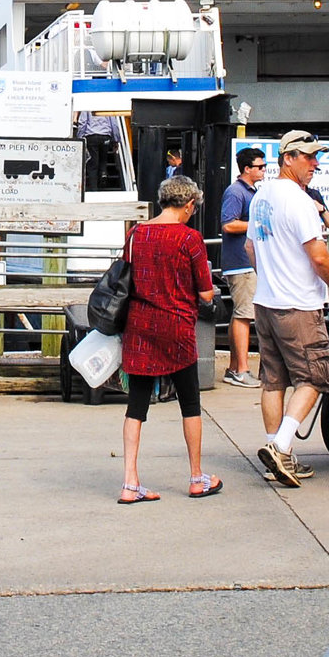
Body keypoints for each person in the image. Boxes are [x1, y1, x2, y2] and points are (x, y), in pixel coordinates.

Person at [116, 176, 221, 503]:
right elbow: (205, 292)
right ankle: (196, 477)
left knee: (136, 405)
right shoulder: (190, 239)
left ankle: (130, 482)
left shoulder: (136, 234)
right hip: (177, 328)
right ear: (188, 205)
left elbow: (126, 276)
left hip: (140, 327)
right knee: (190, 403)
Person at [250, 132, 329, 488]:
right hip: (298, 304)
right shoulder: (300, 201)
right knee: (316, 376)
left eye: (316, 157)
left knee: (273, 380)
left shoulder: (261, 196)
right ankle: (280, 445)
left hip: (267, 300)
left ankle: (279, 453)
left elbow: (249, 248)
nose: (315, 163)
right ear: (287, 158)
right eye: (308, 157)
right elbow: (319, 256)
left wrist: (269, 276)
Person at [216, 148, 266, 388]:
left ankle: (235, 367)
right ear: (247, 169)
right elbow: (228, 224)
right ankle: (242, 370)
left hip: (243, 263)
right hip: (240, 263)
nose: (264, 170)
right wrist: (257, 224)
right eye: (260, 166)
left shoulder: (249, 191)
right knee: (245, 314)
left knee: (241, 313)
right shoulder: (236, 192)